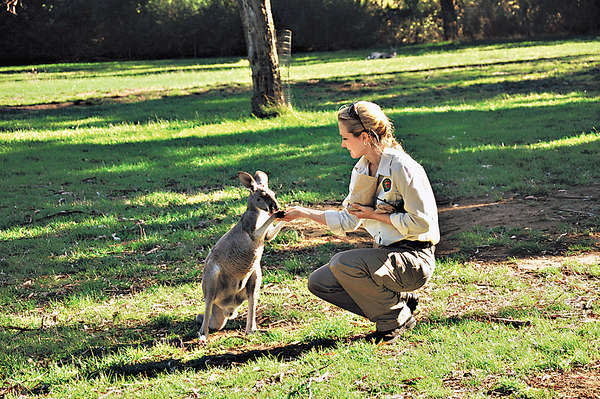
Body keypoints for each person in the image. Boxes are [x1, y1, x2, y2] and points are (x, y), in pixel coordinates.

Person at [282, 101, 440, 342]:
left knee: (344, 263)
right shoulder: (363, 168)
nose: (343, 144)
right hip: (387, 256)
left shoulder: (402, 167)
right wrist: (304, 213)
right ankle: (396, 302)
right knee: (320, 282)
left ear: (365, 136)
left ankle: (394, 319)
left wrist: (376, 215)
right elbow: (348, 220)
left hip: (415, 259)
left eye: (345, 138)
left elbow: (424, 224)